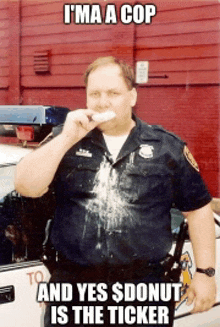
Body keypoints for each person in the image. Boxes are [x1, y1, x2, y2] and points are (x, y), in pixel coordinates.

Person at [15, 56, 216, 326]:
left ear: (132, 96)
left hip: (143, 291)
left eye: (113, 93)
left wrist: (205, 273)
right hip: (73, 290)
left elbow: (198, 210)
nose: (102, 101)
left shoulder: (165, 147)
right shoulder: (66, 138)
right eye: (94, 93)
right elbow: (27, 187)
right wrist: (66, 138)